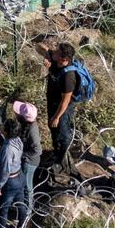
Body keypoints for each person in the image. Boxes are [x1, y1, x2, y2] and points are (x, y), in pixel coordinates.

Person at [36, 41, 79, 178]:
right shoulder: (55, 58)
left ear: (64, 59)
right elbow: (39, 46)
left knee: (62, 133)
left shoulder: (68, 76)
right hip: (53, 103)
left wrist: (57, 117)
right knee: (53, 130)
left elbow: (65, 101)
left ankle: (62, 159)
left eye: (57, 52)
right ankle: (57, 151)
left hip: (63, 109)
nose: (54, 51)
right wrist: (47, 55)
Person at [0, 117, 26, 228]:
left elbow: (5, 170)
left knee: (3, 207)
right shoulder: (17, 140)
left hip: (10, 181)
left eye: (3, 126)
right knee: (20, 204)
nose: (1, 126)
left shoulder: (7, 149)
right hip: (19, 176)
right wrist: (1, 139)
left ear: (6, 131)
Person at [12, 101, 42, 213]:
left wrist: (21, 154)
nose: (15, 114)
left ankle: (27, 210)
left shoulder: (32, 132)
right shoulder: (27, 126)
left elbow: (38, 150)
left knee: (26, 185)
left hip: (30, 162)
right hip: (27, 160)